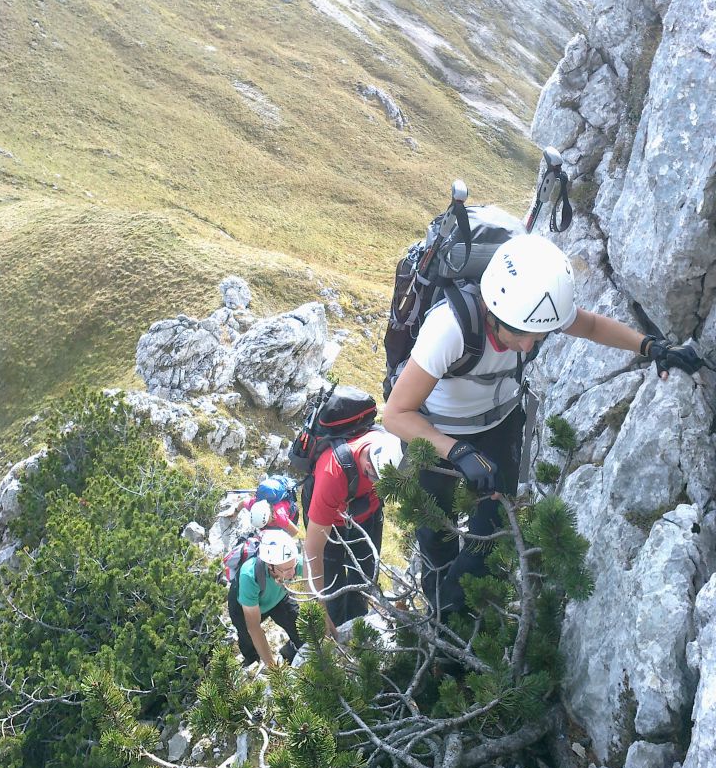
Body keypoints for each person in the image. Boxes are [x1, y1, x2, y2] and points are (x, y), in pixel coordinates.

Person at [383, 233, 704, 616]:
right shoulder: (449, 329)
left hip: (497, 429)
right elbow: (396, 414)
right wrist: (458, 450)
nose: (528, 346)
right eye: (520, 334)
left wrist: (652, 347)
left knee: (492, 537)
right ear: (493, 311)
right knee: (437, 538)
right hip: (432, 436)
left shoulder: (529, 311)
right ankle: (442, 630)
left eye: (540, 336)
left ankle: (462, 620)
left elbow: (591, 326)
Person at [303, 431, 403, 634]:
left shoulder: (391, 445)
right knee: (333, 587)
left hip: (368, 515)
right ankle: (336, 627)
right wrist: (319, 611)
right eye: (379, 482)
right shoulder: (333, 474)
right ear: (368, 467)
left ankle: (359, 625)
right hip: (330, 524)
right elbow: (312, 550)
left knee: (364, 577)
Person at [227, 529, 304, 668]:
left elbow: (318, 580)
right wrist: (274, 672)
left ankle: (291, 651)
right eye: (286, 570)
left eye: (293, 566)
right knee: (247, 637)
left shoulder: (289, 561)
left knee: (300, 628)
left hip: (278, 598)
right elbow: (254, 628)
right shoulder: (249, 576)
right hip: (243, 606)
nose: (293, 573)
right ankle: (252, 661)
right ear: (270, 565)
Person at [223, 476, 299, 536]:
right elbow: (242, 503)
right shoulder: (253, 504)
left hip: (291, 514)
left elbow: (294, 532)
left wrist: (282, 541)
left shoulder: (280, 517)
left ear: (269, 518)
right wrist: (234, 514)